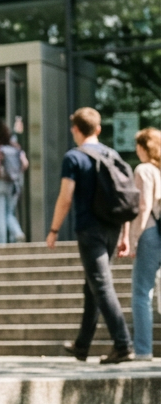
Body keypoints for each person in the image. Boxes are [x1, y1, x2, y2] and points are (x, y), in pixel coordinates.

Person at [47, 108, 132, 364]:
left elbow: (65, 197)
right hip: (113, 227)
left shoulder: (73, 157)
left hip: (90, 229)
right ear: (98, 129)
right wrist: (125, 234)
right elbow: (123, 196)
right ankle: (82, 345)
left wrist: (53, 230)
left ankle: (123, 343)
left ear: (75, 129)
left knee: (101, 285)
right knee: (92, 287)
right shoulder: (112, 154)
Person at [119, 128, 161, 362]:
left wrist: (133, 238)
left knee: (142, 292)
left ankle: (144, 350)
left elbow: (143, 207)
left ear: (144, 147)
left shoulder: (144, 170)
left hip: (151, 232)